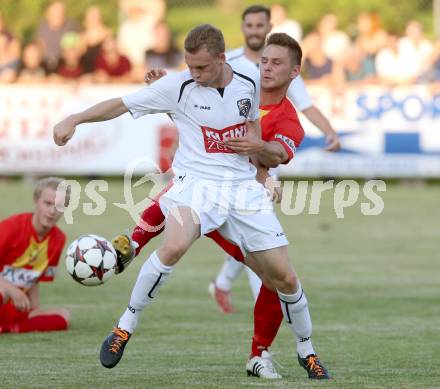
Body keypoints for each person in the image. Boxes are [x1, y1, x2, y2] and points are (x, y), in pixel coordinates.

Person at [53, 24, 329, 380]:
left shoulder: (248, 82)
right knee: (175, 244)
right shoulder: (179, 85)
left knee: (285, 278)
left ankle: (306, 351)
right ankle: (124, 326)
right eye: (189, 66)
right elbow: (118, 105)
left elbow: (255, 136)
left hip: (241, 189)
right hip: (195, 184)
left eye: (200, 67)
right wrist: (74, 119)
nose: (193, 74)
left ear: (220, 59)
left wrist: (259, 163)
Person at [211, 5, 340, 313]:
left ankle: (241, 292)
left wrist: (329, 131)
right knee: (249, 235)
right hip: (224, 168)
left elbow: (305, 106)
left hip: (262, 164)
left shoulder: (283, 66)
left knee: (255, 236)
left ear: (268, 26)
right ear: (243, 28)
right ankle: (233, 286)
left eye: (260, 25)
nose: (254, 30)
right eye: (250, 25)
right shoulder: (230, 64)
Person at [0, 177, 70, 334]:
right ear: (36, 201)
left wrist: (33, 310)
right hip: (5, 295)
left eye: (59, 206)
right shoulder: (11, 227)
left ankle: (8, 328)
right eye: (48, 204)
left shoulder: (59, 239)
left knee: (63, 316)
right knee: (2, 293)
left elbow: (34, 279)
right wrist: (12, 290)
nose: (52, 211)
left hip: (15, 306)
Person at [36, 1, 78, 73]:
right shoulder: (42, 27)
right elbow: (40, 45)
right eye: (56, 11)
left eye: (61, 11)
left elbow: (76, 48)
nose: (58, 14)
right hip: (45, 64)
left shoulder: (71, 26)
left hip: (64, 65)